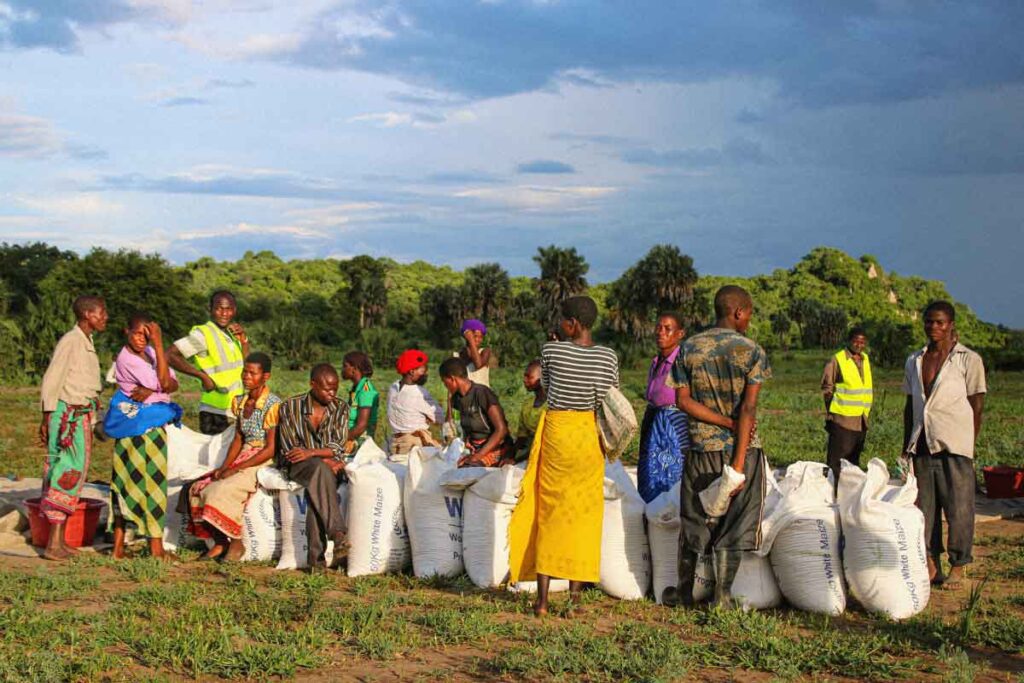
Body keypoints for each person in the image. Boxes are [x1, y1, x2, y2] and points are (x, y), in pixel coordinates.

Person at [509, 296, 619, 617]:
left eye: (562, 320)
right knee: (582, 516)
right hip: (588, 436)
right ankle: (574, 602)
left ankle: (542, 602)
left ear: (571, 324)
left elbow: (546, 386)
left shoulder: (551, 350)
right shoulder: (608, 356)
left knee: (549, 511)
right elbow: (610, 396)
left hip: (558, 433)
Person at [664, 285, 771, 608]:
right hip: (743, 450)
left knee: (694, 518)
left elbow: (683, 401)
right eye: (749, 313)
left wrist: (721, 422)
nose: (749, 319)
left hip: (700, 449)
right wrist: (737, 462)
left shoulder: (689, 348)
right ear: (738, 312)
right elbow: (748, 410)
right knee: (736, 520)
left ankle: (683, 593)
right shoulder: (752, 351)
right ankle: (722, 597)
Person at [902, 301, 986, 591]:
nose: (934, 327)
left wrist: (968, 442)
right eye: (929, 321)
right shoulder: (915, 359)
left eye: (940, 322)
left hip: (955, 445)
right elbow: (910, 406)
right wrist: (906, 446)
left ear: (951, 325)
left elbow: (977, 405)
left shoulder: (968, 360)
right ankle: (932, 562)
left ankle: (959, 565)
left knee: (959, 508)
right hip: (923, 443)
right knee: (925, 509)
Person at [103, 313, 184, 560]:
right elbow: (165, 382)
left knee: (135, 483)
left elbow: (173, 384)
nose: (142, 339)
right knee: (143, 485)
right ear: (126, 332)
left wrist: (153, 388)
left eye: (147, 336)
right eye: (138, 333)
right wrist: (159, 345)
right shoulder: (127, 359)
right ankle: (155, 549)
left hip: (149, 426)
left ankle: (119, 547)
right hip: (138, 429)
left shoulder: (148, 353)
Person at [188, 352, 280, 561]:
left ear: (265, 377)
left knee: (222, 490)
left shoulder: (272, 404)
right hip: (244, 455)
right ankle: (220, 542)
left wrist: (237, 468)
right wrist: (224, 466)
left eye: (252, 373)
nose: (246, 376)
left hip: (261, 459)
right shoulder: (240, 401)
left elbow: (270, 448)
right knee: (198, 488)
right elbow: (238, 438)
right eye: (245, 372)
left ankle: (237, 543)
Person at [37, 295, 108, 561]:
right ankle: (53, 544)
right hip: (67, 417)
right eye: (101, 313)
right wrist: (47, 417)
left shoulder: (86, 342)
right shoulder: (71, 341)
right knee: (66, 472)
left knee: (74, 473)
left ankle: (60, 540)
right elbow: (52, 378)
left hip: (80, 417)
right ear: (87, 314)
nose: (105, 317)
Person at [277, 364, 351, 570]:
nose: (332, 393)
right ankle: (337, 533)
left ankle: (316, 563)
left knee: (317, 489)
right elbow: (290, 449)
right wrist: (320, 456)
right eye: (327, 389)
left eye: (335, 389)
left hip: (328, 466)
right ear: (312, 384)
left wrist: (313, 453)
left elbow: (338, 445)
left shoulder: (340, 408)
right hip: (297, 465)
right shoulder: (291, 406)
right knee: (320, 471)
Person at [167, 290, 249, 435]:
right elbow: (170, 355)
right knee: (215, 451)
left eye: (228, 309)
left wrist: (244, 340)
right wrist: (202, 376)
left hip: (234, 408)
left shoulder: (231, 334)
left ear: (234, 310)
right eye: (219, 308)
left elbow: (245, 364)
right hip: (215, 412)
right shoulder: (204, 334)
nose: (224, 313)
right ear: (210, 309)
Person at [637, 312, 691, 504]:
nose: (661, 332)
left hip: (673, 429)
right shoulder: (656, 361)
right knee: (649, 474)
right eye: (658, 327)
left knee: (670, 477)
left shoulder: (683, 362)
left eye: (668, 329)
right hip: (653, 423)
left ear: (680, 334)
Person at [439, 357, 515, 467]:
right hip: (474, 448)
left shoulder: (482, 393)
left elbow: (501, 430)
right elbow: (449, 428)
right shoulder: (457, 398)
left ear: (452, 379)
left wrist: (478, 456)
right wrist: (449, 402)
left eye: (444, 382)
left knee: (467, 470)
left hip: (495, 447)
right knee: (446, 465)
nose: (445, 386)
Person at [822, 327, 872, 486]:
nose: (859, 345)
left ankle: (848, 494)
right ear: (849, 341)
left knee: (853, 464)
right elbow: (827, 388)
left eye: (862, 342)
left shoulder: (865, 359)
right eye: (856, 341)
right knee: (837, 463)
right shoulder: (837, 359)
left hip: (860, 419)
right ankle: (833, 492)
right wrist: (831, 413)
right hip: (842, 419)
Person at [387, 349, 444, 456]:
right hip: (414, 444)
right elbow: (440, 417)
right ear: (412, 371)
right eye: (423, 371)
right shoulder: (418, 393)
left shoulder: (393, 388)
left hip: (395, 443)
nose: (426, 374)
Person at [341, 351, 379, 450]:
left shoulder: (365, 391)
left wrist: (340, 440)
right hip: (351, 438)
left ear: (354, 368)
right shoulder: (356, 388)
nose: (342, 369)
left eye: (345, 366)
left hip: (360, 443)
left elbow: (361, 426)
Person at [512, 360, 547, 462]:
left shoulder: (551, 405)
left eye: (529, 377)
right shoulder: (527, 404)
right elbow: (522, 436)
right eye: (524, 376)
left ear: (542, 379)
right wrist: (511, 454)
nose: (524, 380)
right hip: (530, 450)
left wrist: (518, 458)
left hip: (546, 451)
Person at [457, 319, 492, 386]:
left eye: (481, 337)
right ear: (466, 337)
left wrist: (471, 340)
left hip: (482, 391)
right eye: (475, 336)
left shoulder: (485, 351)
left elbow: (478, 365)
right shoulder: (459, 355)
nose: (477, 339)